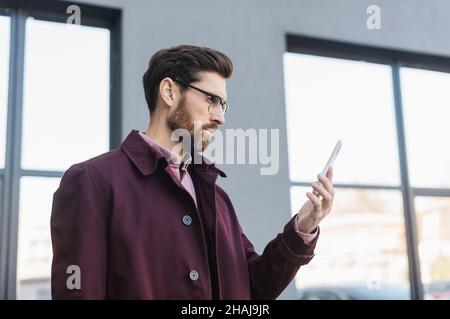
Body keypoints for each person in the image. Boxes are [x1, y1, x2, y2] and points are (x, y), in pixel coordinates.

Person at [50, 45, 335, 299]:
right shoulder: (92, 182)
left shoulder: (216, 197)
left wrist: (304, 226)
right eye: (211, 99)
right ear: (169, 91)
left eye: (223, 105)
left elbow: (254, 286)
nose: (220, 116)